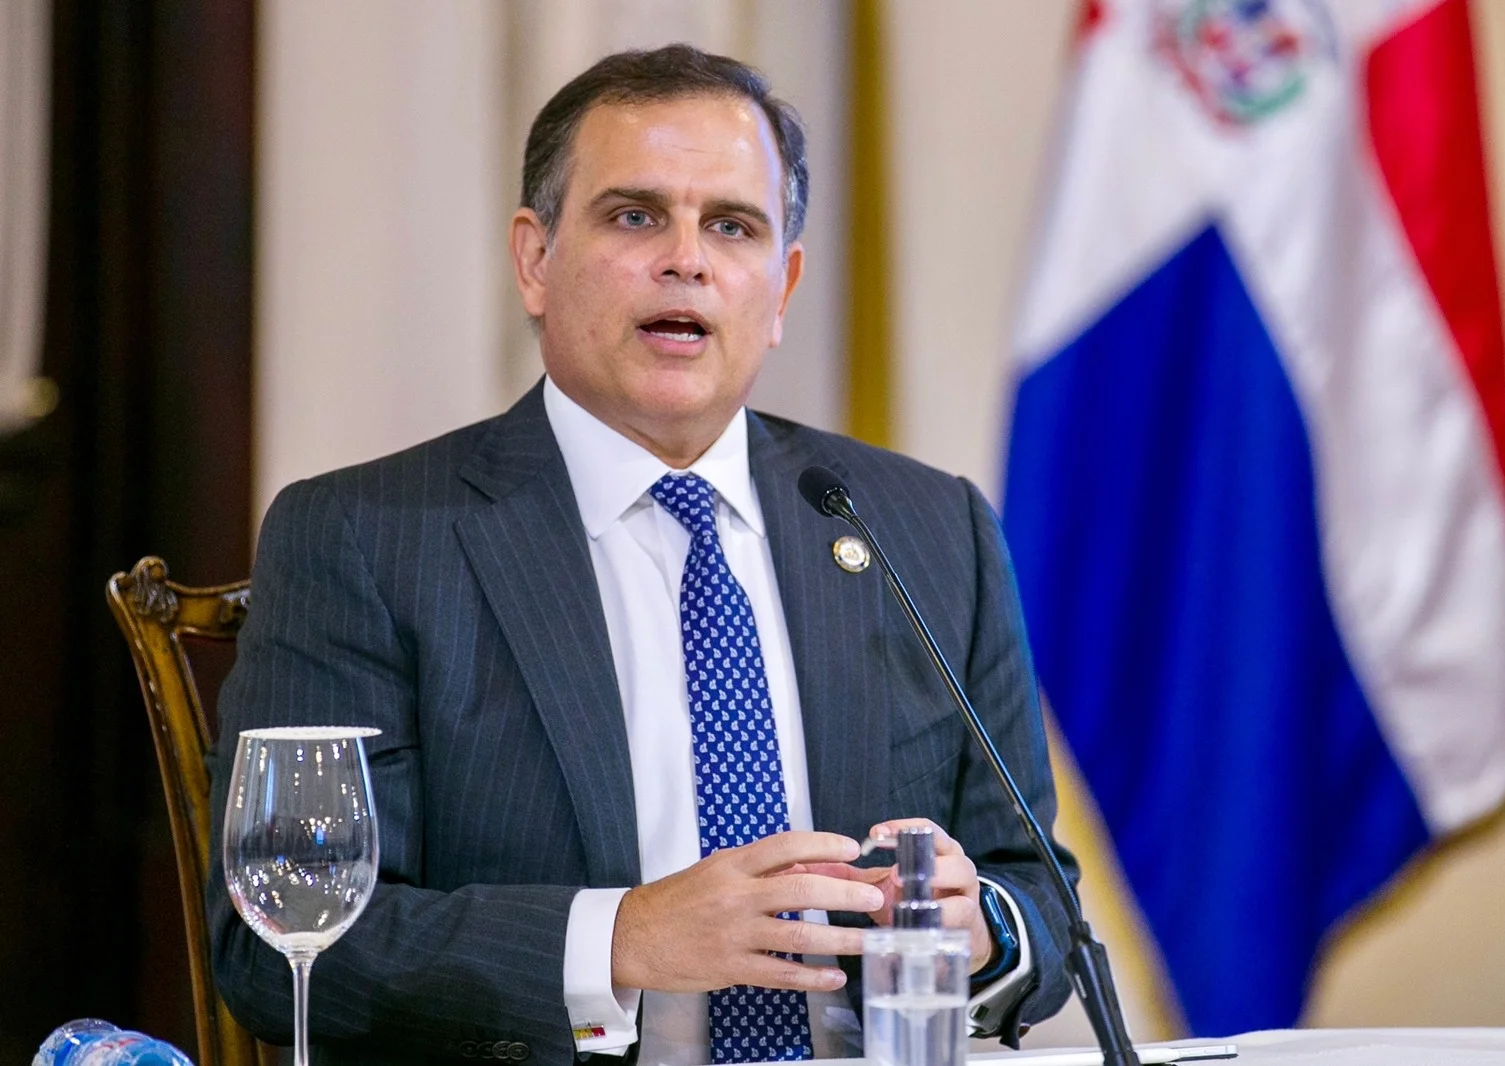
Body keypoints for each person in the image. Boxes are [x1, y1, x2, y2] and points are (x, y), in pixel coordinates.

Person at [205, 44, 1077, 1066]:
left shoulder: (926, 527)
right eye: (634, 217)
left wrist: (982, 930)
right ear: (535, 260)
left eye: (732, 226)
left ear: (782, 287)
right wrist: (620, 939)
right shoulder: (366, 536)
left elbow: (1041, 902)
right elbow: (280, 949)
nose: (686, 260)